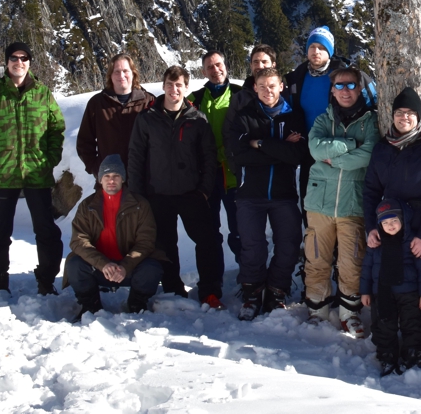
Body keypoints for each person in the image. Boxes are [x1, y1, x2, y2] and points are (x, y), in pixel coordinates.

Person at [363, 87, 421, 366]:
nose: (404, 118)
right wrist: (370, 228)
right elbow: (370, 191)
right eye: (400, 113)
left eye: (410, 113)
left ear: (420, 117)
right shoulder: (382, 149)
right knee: (385, 288)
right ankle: (385, 344)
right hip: (388, 229)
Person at [0, 42, 65, 295]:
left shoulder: (43, 94)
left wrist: (50, 159)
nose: (19, 62)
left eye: (24, 58)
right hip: (5, 175)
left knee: (46, 230)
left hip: (38, 174)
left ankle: (46, 280)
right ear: (7, 62)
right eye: (14, 57)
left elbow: (57, 129)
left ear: (30, 62)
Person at [127, 66, 221, 305]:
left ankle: (209, 290)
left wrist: (204, 190)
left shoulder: (197, 119)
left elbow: (209, 158)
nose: (174, 90)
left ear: (186, 88)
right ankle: (173, 289)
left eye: (179, 85)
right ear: (163, 86)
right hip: (158, 194)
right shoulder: (147, 118)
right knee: (165, 245)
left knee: (207, 241)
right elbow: (136, 157)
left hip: (191, 193)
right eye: (170, 84)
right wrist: (138, 195)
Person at [303, 66, 380, 337]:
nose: (345, 91)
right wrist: (349, 145)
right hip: (319, 200)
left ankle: (350, 311)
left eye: (350, 85)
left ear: (360, 89)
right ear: (332, 90)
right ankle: (317, 308)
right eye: (339, 86)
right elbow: (315, 148)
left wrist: (332, 157)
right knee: (316, 257)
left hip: (352, 202)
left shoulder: (370, 121)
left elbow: (368, 155)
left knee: (352, 259)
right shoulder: (324, 119)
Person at [229, 67, 308, 320]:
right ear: (255, 88)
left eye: (272, 86)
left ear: (281, 86)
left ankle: (276, 290)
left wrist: (261, 143)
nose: (267, 91)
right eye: (262, 86)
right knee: (253, 246)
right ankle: (252, 292)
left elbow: (297, 156)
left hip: (283, 194)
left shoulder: (294, 117)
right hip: (250, 194)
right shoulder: (244, 116)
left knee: (289, 243)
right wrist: (281, 149)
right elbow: (240, 155)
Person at [285, 27, 376, 219]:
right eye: (312, 46)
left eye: (321, 47)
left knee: (341, 200)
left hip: (345, 145)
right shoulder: (297, 77)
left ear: (330, 51)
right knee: (310, 199)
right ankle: (315, 239)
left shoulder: (347, 76)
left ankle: (339, 246)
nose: (316, 51)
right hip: (312, 148)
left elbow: (373, 103)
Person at [64, 154, 165, 319]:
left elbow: (145, 242)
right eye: (107, 176)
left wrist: (125, 265)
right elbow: (78, 241)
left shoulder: (140, 205)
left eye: (116, 176)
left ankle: (136, 305)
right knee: (75, 264)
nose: (111, 180)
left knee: (152, 268)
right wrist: (103, 264)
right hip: (99, 267)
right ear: (100, 180)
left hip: (129, 268)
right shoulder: (87, 206)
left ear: (123, 179)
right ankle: (91, 306)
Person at [361, 199, 421, 376]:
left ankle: (412, 352)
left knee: (412, 324)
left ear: (403, 219)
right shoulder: (375, 244)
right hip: (383, 293)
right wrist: (365, 291)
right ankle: (387, 356)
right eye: (385, 222)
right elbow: (367, 268)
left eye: (394, 221)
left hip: (409, 293)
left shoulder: (412, 242)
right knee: (384, 325)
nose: (390, 226)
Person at [188, 51, 242, 265]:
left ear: (226, 66)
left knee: (241, 231)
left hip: (235, 175)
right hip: (206, 177)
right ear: (203, 71)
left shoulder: (241, 94)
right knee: (208, 234)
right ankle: (211, 287)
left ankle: (250, 281)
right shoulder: (195, 100)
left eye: (218, 64)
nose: (215, 70)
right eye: (209, 67)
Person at [76, 53, 155, 182]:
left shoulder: (148, 101)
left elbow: (160, 140)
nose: (121, 76)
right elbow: (84, 141)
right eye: (116, 72)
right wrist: (96, 168)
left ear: (133, 73)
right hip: (109, 181)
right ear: (110, 76)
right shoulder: (97, 103)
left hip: (142, 179)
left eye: (125, 71)